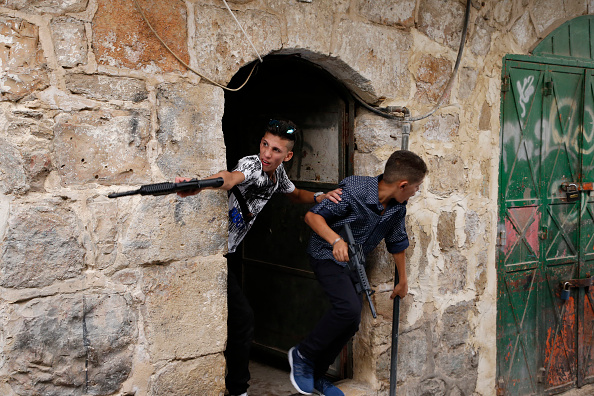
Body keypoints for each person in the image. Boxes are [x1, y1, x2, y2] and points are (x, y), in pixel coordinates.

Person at [176, 119, 342, 396]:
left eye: (276, 150)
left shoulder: (279, 175)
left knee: (238, 320)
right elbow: (229, 178)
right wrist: (200, 184)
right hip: (217, 253)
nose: (267, 153)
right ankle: (238, 389)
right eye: (265, 144)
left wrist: (320, 197)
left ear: (287, 156)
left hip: (229, 251)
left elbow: (295, 194)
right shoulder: (252, 164)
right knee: (243, 320)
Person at [288, 150, 427, 396]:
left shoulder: (397, 207)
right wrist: (335, 241)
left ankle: (317, 376)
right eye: (416, 186)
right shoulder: (354, 190)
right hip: (326, 254)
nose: (417, 191)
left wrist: (403, 280)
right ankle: (303, 354)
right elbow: (312, 217)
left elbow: (397, 242)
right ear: (403, 184)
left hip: (353, 263)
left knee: (351, 322)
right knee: (347, 309)